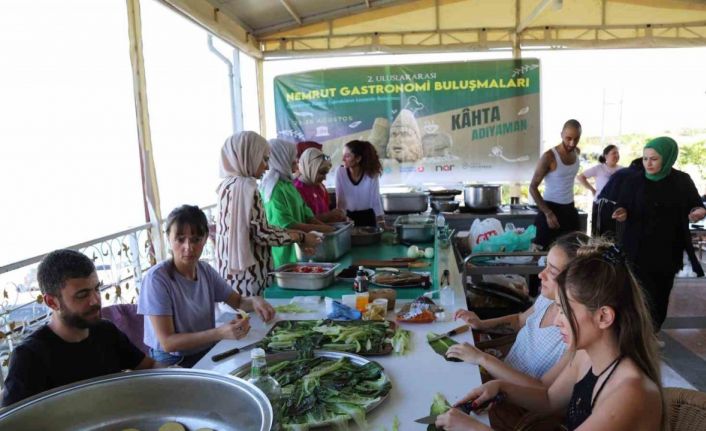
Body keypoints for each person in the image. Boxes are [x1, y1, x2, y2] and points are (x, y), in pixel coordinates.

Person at [435, 241, 664, 431]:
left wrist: (474, 428)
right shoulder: (585, 355)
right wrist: (500, 387)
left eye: (565, 311)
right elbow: (549, 400)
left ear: (603, 317)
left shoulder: (629, 392)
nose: (556, 321)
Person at [2, 250, 156, 407]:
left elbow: (150, 366)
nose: (95, 301)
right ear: (52, 302)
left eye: (97, 289)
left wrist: (178, 376)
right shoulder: (29, 357)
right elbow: (12, 422)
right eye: (82, 295)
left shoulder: (106, 331)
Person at [139, 205, 278, 368]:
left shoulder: (205, 270)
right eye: (180, 239)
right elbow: (168, 342)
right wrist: (219, 332)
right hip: (172, 360)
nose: (188, 247)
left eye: (196, 239)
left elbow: (238, 302)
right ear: (168, 238)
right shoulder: (156, 280)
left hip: (205, 350)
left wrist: (255, 300)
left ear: (205, 238)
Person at [449, 232, 587, 386]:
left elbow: (543, 392)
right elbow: (519, 320)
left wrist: (483, 359)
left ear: (576, 283)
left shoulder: (571, 335)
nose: (541, 274)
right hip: (496, 375)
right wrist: (481, 324)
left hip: (510, 397)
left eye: (552, 271)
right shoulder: (547, 299)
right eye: (545, 265)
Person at [612, 137, 706, 332]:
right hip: (636, 248)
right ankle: (632, 333)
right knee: (633, 293)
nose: (648, 163)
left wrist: (698, 211)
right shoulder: (634, 180)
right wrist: (622, 212)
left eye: (654, 159)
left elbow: (695, 204)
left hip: (667, 249)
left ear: (668, 158)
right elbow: (623, 204)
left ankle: (652, 332)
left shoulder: (682, 181)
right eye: (645, 159)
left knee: (660, 294)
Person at [216, 132, 321, 297]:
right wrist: (300, 237)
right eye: (264, 159)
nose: (266, 167)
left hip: (231, 277)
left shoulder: (226, 186)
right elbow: (262, 233)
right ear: (248, 157)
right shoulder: (247, 188)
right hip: (251, 276)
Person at [261, 138, 334, 267]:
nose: (296, 165)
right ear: (282, 159)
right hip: (284, 255)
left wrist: (331, 230)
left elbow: (308, 215)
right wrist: (326, 230)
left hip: (302, 250)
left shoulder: (288, 184)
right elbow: (287, 225)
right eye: (293, 160)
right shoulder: (273, 190)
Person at [530, 119, 582, 250]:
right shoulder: (549, 156)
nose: (572, 143)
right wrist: (548, 213)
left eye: (576, 139)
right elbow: (532, 187)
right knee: (542, 257)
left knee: (571, 254)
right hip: (550, 209)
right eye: (568, 138)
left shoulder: (577, 152)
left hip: (569, 209)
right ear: (561, 135)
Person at [335, 140, 385, 227]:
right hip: (348, 218)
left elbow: (375, 200)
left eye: (347, 156)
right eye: (343, 156)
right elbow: (340, 201)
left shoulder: (371, 173)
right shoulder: (340, 172)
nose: (343, 159)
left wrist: (381, 222)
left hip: (368, 217)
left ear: (358, 158)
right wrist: (342, 219)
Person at [593, 157, 644, 239]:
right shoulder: (637, 174)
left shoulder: (624, 171)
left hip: (611, 206)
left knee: (606, 238)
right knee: (608, 237)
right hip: (610, 205)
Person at [577, 145, 622, 235]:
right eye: (614, 153)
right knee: (599, 231)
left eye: (617, 153)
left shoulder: (622, 169)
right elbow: (581, 177)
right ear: (606, 156)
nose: (616, 155)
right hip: (600, 204)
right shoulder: (599, 168)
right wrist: (592, 190)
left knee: (614, 230)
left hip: (615, 204)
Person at [294, 147, 347, 222]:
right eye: (322, 173)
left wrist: (337, 217)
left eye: (326, 173)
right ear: (310, 168)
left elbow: (325, 212)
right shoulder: (296, 190)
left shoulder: (319, 187)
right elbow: (300, 221)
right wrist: (328, 216)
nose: (325, 178)